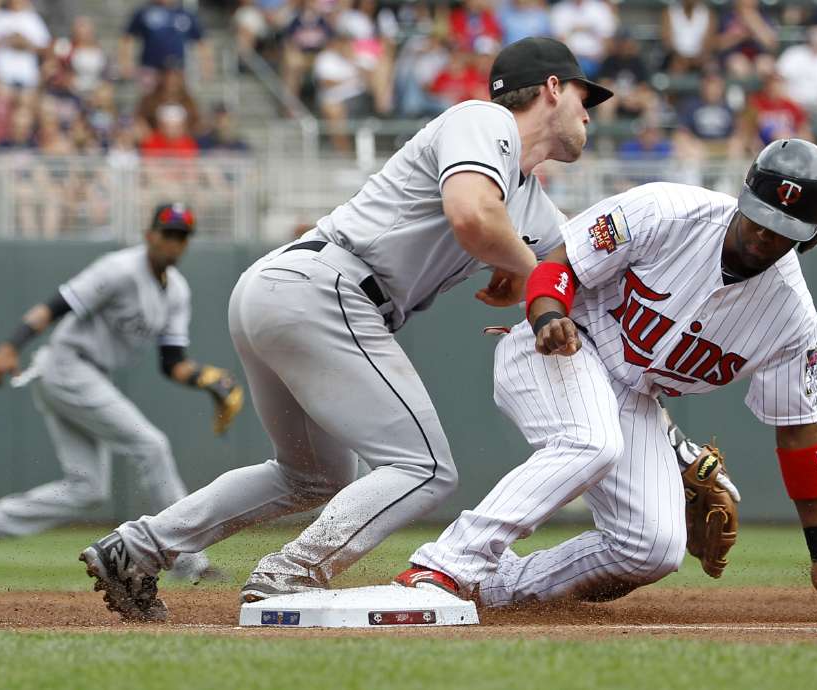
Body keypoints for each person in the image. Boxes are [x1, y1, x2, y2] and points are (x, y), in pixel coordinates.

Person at [78, 37, 615, 621]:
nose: (591, 113)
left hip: (294, 291)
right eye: (584, 95)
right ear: (553, 88)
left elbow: (568, 270)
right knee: (425, 469)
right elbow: (472, 214)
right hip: (329, 287)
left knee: (312, 475)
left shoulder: (533, 204)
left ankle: (137, 548)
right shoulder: (484, 121)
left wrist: (530, 276)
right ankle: (291, 571)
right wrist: (525, 265)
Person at [395, 139, 817, 617]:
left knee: (652, 547)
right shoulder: (666, 210)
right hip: (562, 346)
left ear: (810, 236)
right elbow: (559, 262)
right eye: (759, 216)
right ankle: (445, 566)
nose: (764, 234)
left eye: (782, 230)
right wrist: (548, 315)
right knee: (591, 442)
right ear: (742, 197)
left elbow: (800, 433)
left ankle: (494, 589)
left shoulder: (791, 318)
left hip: (633, 399)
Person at [0, 204, 241, 590]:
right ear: (150, 234)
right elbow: (55, 306)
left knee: (87, 488)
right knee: (151, 445)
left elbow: (172, 362)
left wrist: (207, 380)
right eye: (168, 233)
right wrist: (9, 346)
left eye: (181, 237)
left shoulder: (177, 292)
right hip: (68, 365)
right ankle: (187, 560)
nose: (174, 242)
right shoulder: (119, 269)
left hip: (86, 374)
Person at [120, 0, 214, 88]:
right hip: (150, 68)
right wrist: (125, 63)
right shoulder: (144, 12)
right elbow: (127, 38)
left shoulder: (185, 14)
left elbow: (202, 42)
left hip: (177, 70)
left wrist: (206, 66)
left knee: (176, 97)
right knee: (150, 98)